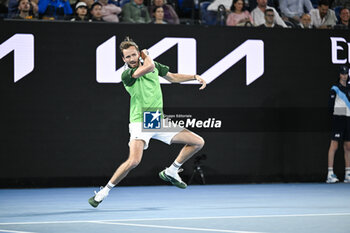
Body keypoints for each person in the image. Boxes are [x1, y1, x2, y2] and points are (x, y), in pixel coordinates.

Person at [88, 37, 206, 208]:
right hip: (139, 121)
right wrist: (145, 54)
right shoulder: (127, 74)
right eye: (127, 57)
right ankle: (104, 191)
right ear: (123, 59)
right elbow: (149, 65)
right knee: (134, 161)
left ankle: (172, 171)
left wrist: (194, 77)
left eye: (134, 55)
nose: (131, 59)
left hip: (156, 120)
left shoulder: (153, 65)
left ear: (138, 54)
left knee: (197, 142)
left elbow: (172, 77)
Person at [327, 66, 350, 183]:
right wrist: (337, 115)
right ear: (339, 75)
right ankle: (330, 174)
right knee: (334, 145)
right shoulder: (335, 88)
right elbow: (330, 106)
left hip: (348, 118)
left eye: (346, 73)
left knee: (348, 146)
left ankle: (348, 174)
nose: (344, 75)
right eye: (342, 73)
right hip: (338, 118)